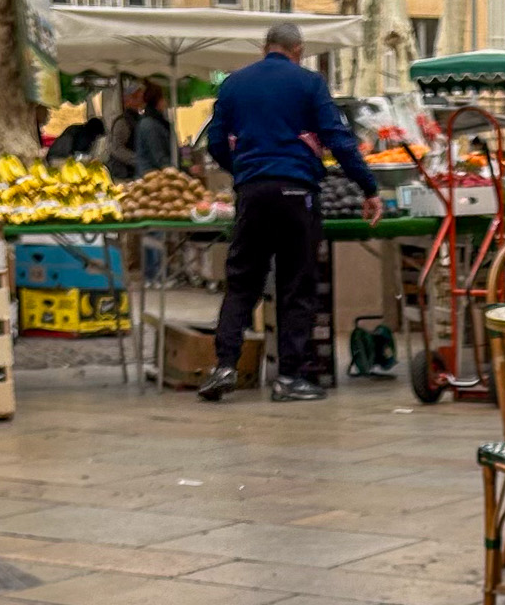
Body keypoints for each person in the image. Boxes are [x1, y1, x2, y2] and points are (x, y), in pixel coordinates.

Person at [200, 21, 382, 404]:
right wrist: (368, 187)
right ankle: (290, 377)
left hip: (252, 191)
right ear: (298, 50)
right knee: (296, 286)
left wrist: (244, 170)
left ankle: (224, 366)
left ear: (265, 46)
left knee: (242, 282)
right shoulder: (309, 82)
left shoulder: (234, 84)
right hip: (297, 191)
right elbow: (338, 138)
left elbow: (215, 140)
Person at [134, 82, 176, 175]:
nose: (166, 102)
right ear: (158, 100)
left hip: (154, 174)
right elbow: (159, 155)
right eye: (164, 98)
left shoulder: (155, 122)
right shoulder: (150, 124)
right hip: (151, 176)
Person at [105, 83, 142, 181]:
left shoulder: (137, 119)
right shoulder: (123, 122)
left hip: (132, 171)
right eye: (137, 97)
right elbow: (117, 148)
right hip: (123, 174)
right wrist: (138, 159)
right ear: (128, 100)